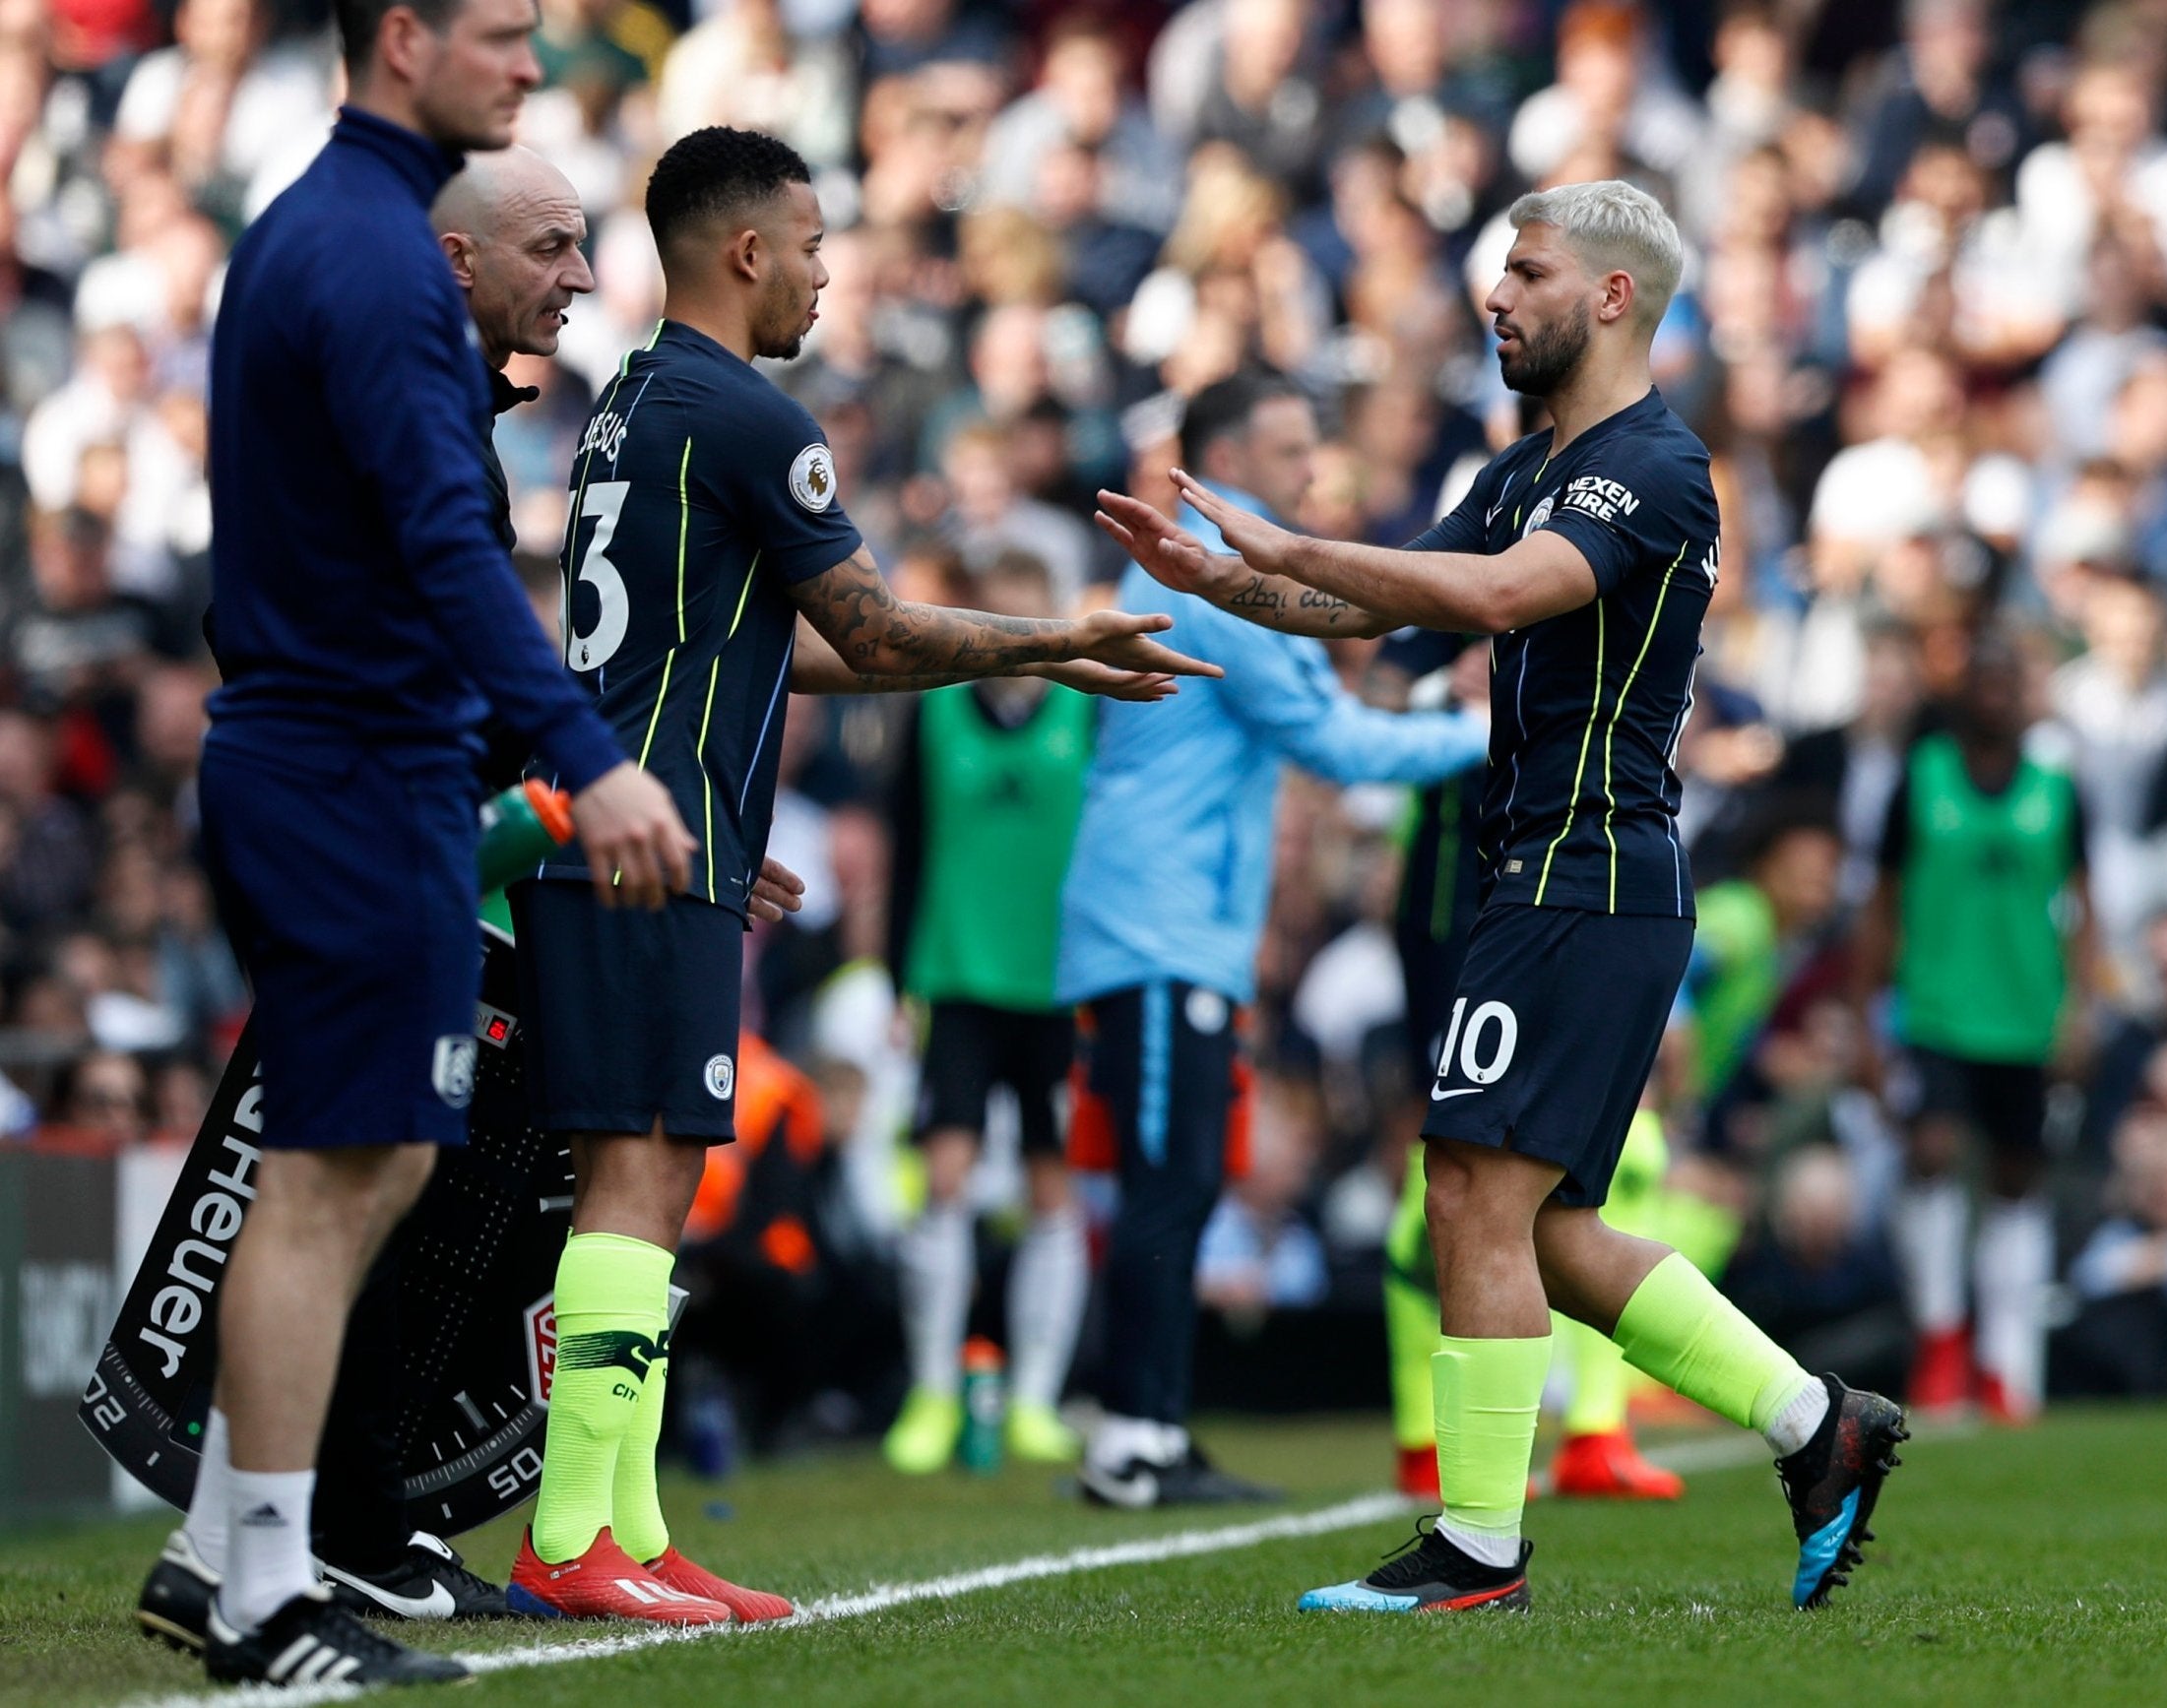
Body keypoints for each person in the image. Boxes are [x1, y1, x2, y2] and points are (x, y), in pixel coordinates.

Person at [1098, 180, 1908, 1613]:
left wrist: (1283, 546)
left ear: (1611, 296)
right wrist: (1223, 580)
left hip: (1587, 868)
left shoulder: (1648, 466)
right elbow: (1381, 606)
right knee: (1538, 1224)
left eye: (1526, 271)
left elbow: (1488, 600)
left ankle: (1476, 1550)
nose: (1497, 295)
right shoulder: (1528, 466)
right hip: (1549, 871)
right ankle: (1816, 1423)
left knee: (1470, 1186)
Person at [504, 125, 1216, 1626]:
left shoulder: (634, 399)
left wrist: (721, 798)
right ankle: (571, 1531)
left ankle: (627, 1518)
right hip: (645, 843)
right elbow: (876, 628)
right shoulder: (754, 416)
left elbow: (769, 648)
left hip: (635, 825)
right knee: (636, 1175)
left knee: (658, 1168)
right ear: (749, 250)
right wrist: (1048, 641)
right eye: (816, 244)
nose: (830, 273)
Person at [141, 0, 696, 1683]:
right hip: (347, 771)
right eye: (506, 37)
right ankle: (261, 1595)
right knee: (330, 1184)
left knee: (361, 1168)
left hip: (332, 763)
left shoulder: (326, 226)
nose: (532, 64)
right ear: (403, 39)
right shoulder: (377, 256)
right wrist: (589, 764)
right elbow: (450, 560)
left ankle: (220, 1555)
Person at [1060, 368, 1488, 1510]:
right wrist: (1481, 731)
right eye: (1292, 449)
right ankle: (1132, 1438)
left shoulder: (1213, 579)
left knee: (1183, 1178)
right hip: (1155, 927)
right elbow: (1335, 742)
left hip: (1176, 924)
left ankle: (1149, 1424)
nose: (1313, 473)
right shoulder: (1207, 587)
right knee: (1168, 1179)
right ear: (1226, 460)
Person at [881, 551, 1098, 1476]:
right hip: (959, 978)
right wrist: (899, 979)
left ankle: (1037, 1402)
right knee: (945, 1181)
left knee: (1054, 1189)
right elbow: (906, 847)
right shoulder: (932, 712)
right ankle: (932, 1390)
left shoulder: (1086, 712)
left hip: (1056, 986)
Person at [1857, 633, 2097, 1421]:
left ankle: (2005, 1357)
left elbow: (2084, 910)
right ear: (1963, 691)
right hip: (1935, 1008)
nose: (1997, 692)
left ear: (2026, 693)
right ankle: (1940, 1334)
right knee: (1930, 1151)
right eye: (1984, 678)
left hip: (2026, 1016)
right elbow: (1882, 902)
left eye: (2009, 678)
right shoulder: (1919, 778)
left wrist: (2079, 1009)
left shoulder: (2060, 787)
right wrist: (1866, 1015)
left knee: (2016, 1176)